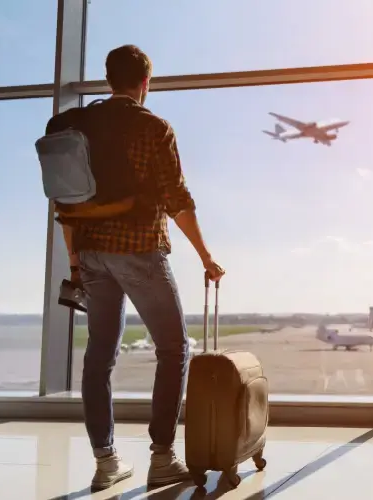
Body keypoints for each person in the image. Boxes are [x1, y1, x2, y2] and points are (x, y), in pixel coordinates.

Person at [56, 44, 225, 491]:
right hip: (139, 249)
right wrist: (206, 256)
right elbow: (177, 200)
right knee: (173, 349)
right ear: (145, 83)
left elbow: (64, 203)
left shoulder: (78, 126)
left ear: (109, 79)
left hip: (91, 254)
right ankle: (162, 457)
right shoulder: (153, 127)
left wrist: (75, 260)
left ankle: (106, 460)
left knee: (100, 356)